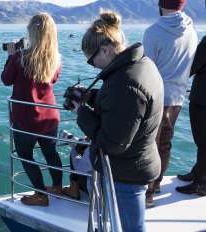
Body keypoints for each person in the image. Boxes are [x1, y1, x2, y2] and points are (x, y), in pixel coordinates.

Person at [74, 10, 164, 232]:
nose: (91, 64)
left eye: (91, 58)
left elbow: (113, 142)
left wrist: (81, 112)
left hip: (127, 172)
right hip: (136, 161)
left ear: (104, 49)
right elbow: (126, 111)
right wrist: (94, 97)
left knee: (131, 228)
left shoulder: (126, 83)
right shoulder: (139, 65)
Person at [1, 12, 62, 206]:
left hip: (25, 119)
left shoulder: (20, 57)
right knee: (51, 153)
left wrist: (10, 56)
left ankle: (41, 194)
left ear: (31, 33)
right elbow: (53, 79)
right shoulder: (56, 58)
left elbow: (6, 80)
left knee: (25, 156)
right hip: (50, 117)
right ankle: (59, 188)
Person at [142, 0, 198, 207]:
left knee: (149, 146)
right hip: (177, 97)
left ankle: (147, 194)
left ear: (160, 4)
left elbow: (146, 69)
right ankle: (156, 184)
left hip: (156, 97)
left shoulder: (153, 32)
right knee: (164, 144)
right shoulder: (192, 30)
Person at [176, 35, 206, 196]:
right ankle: (198, 172)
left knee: (202, 141)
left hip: (202, 100)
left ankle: (201, 183)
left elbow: (192, 66)